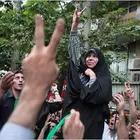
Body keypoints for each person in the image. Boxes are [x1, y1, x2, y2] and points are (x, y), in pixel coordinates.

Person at [0, 14, 84, 140]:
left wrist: (49, 89)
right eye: (17, 78)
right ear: (11, 81)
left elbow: (58, 104)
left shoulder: (42, 105)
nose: (21, 80)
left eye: (23, 77)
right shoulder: (5, 99)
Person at [61, 8, 112, 139]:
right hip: (74, 121)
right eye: (88, 56)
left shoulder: (104, 78)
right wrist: (74, 25)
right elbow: (74, 54)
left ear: (99, 59)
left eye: (94, 56)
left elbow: (97, 96)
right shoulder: (80, 71)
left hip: (93, 125)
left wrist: (93, 78)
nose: (90, 58)